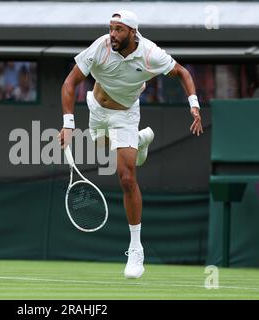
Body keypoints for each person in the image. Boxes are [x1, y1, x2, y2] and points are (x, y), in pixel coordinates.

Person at [58, 10, 203, 279]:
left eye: (119, 30)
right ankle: (139, 140)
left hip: (125, 115)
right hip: (96, 109)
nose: (112, 34)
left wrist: (194, 105)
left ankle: (136, 249)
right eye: (111, 28)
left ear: (133, 32)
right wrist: (68, 123)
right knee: (101, 145)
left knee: (126, 177)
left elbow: (182, 73)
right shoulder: (100, 47)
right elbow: (70, 83)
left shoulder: (150, 54)